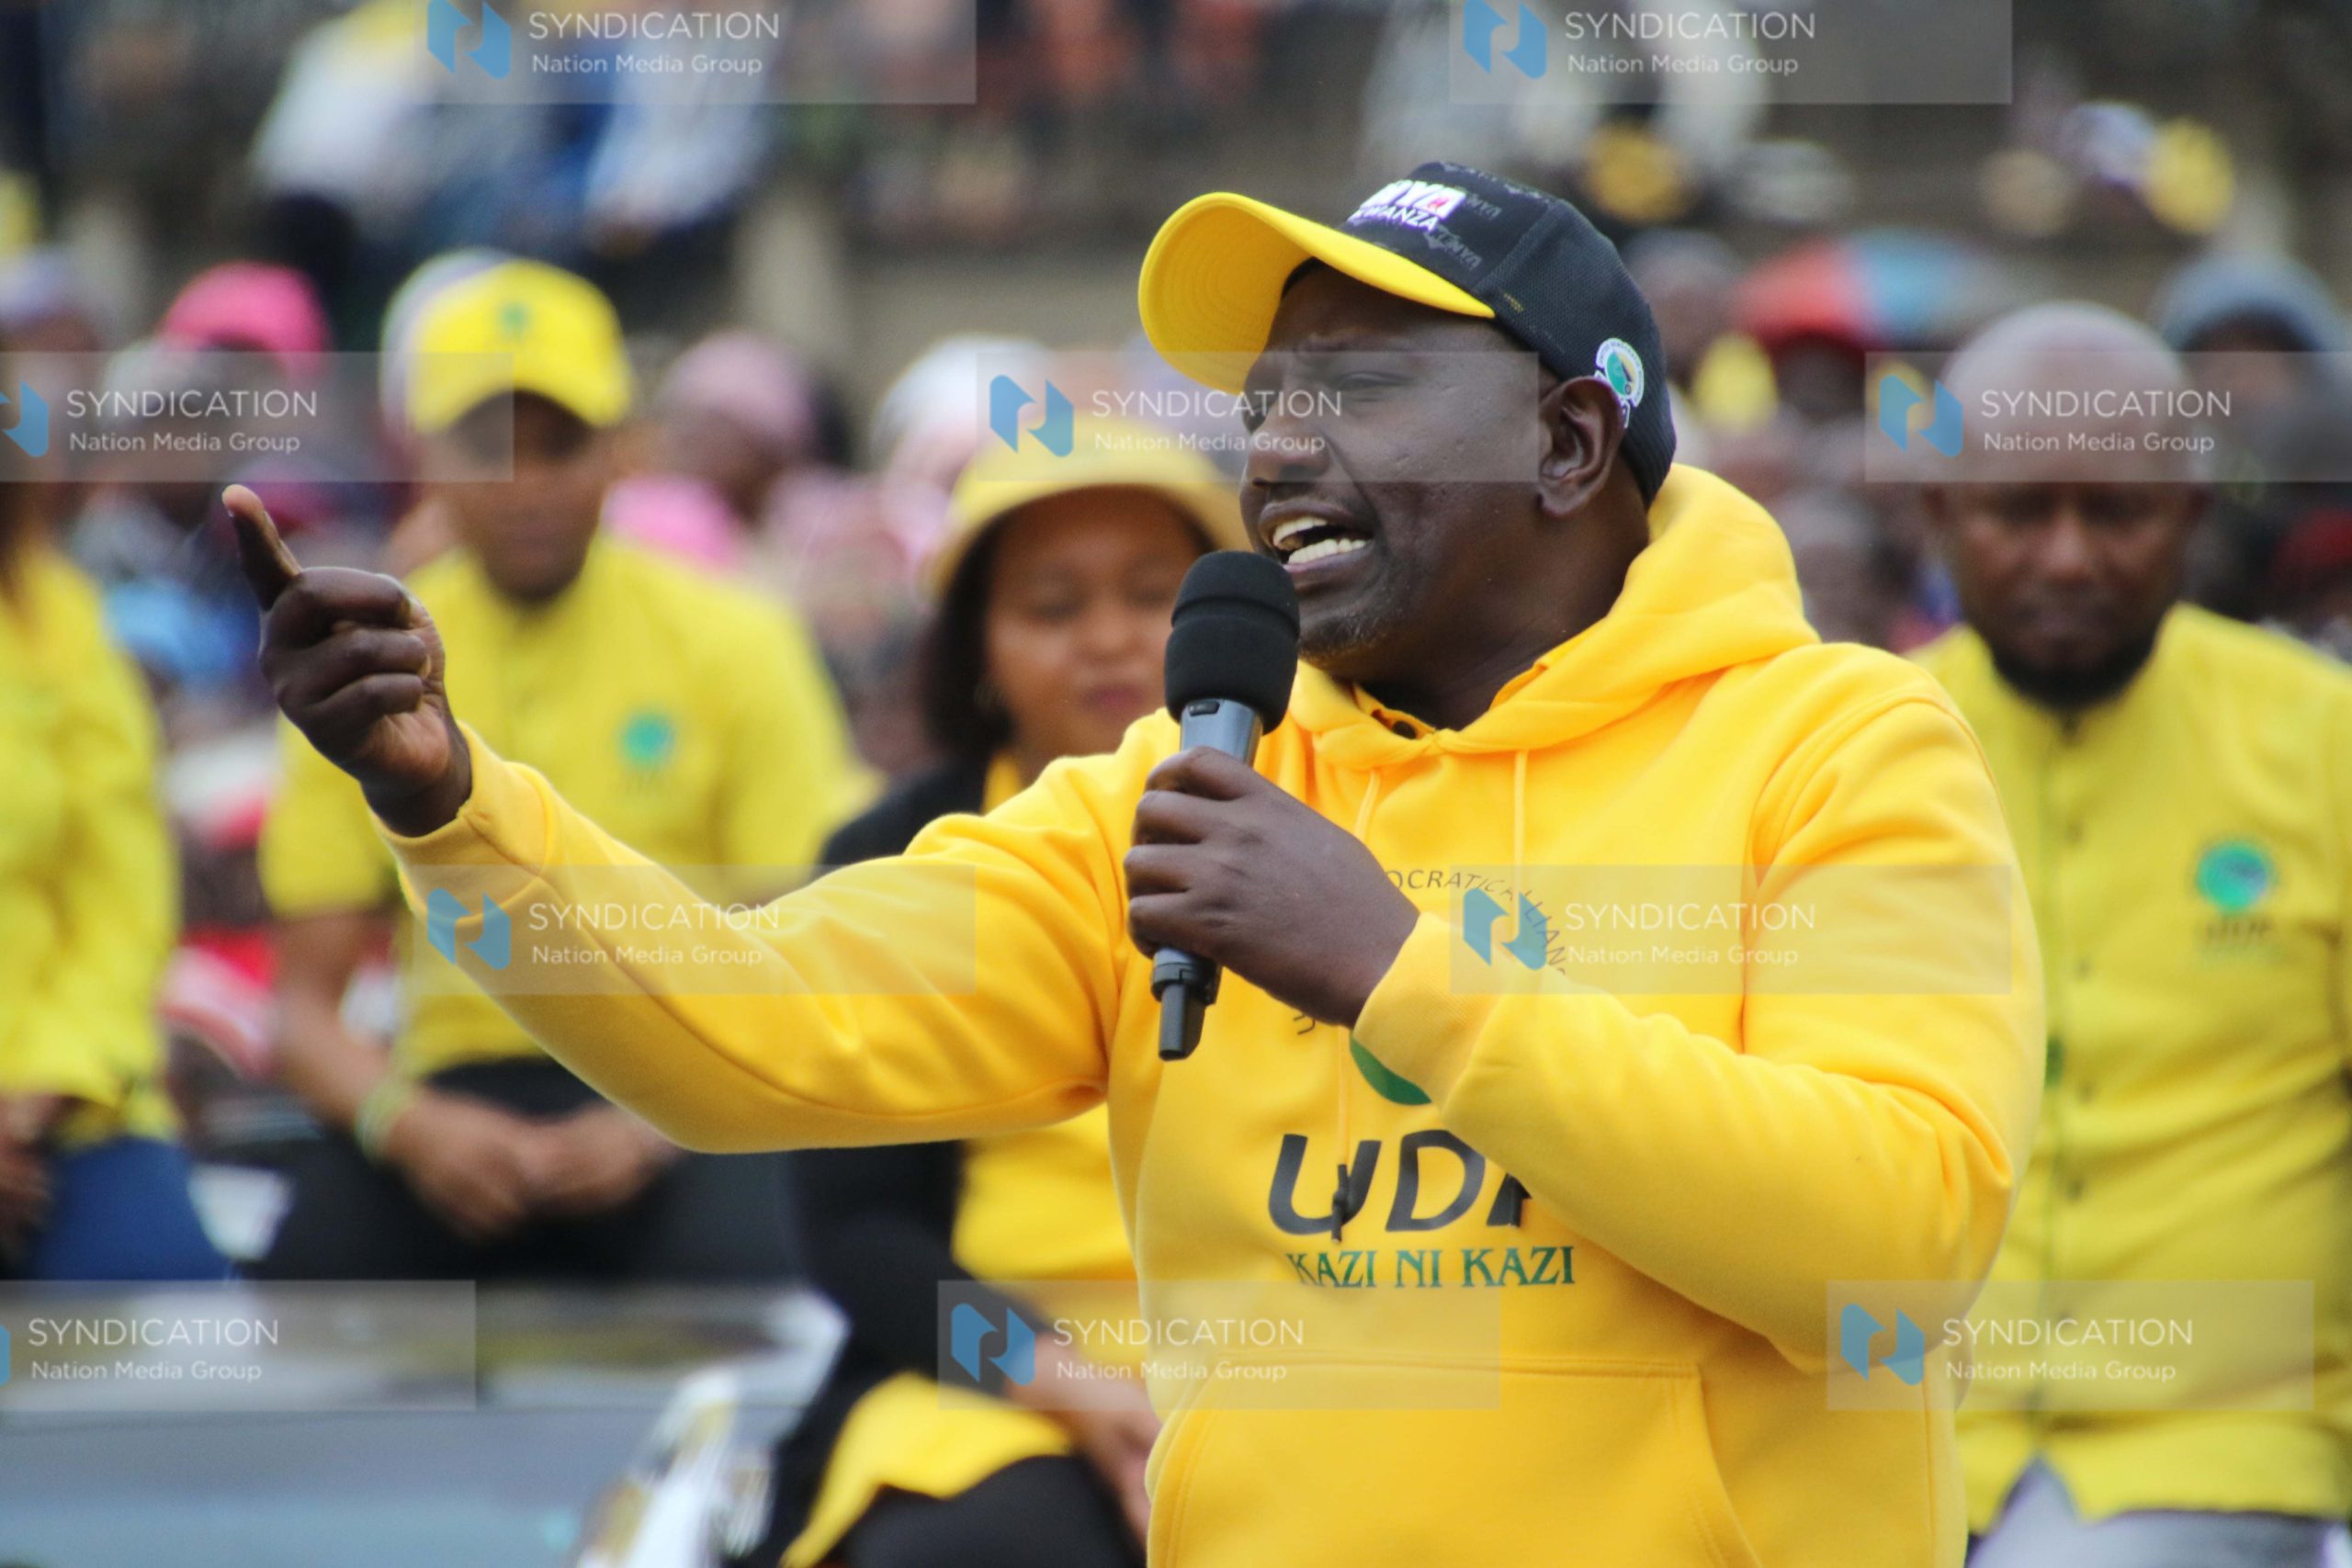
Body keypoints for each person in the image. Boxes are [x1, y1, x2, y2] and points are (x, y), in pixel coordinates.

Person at [234, 164, 2042, 1565]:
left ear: (1567, 440)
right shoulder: (1168, 792)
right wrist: (447, 799)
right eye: (1261, 397)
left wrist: (1399, 973)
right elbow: (737, 1025)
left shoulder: (1839, 744)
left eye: (1357, 386)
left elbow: (1889, 1245)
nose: (1271, 443)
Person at [252, 259, 867, 1282]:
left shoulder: (738, 640)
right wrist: (412, 1126)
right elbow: (301, 1014)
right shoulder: (360, 661)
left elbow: (801, 948)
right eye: (486, 449)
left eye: (559, 446)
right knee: (309, 1282)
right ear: (423, 459)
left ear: (622, 452)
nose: (524, 486)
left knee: (778, 1274)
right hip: (452, 1097)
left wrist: (659, 1119)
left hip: (689, 1077)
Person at [755, 426, 1247, 1568]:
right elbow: (859, 1229)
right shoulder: (891, 862)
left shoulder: (1335, 832)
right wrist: (1064, 1383)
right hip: (987, 1379)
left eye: (1151, 595)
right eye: (1052, 606)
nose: (1112, 639)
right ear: (977, 646)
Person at [1913, 303, 2352, 1566]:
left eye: (2115, 514)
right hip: (1891, 1424)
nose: (2065, 557)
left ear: (2195, 519)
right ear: (1939, 516)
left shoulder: (2320, 741)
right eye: (2017, 512)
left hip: (2219, 1438)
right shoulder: (1856, 747)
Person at [0, 421, 226, 1281]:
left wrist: (42, 1090)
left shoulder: (61, 618)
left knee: (179, 1338)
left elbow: (121, 896)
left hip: (60, 1098)